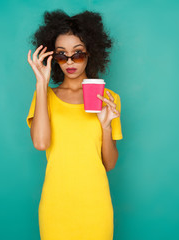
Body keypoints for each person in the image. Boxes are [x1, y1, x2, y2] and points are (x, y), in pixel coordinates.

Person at [26, 9, 123, 240]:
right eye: (62, 55)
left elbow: (108, 164)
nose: (69, 62)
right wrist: (41, 83)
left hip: (95, 205)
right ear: (53, 57)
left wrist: (106, 126)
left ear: (90, 53)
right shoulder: (45, 97)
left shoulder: (108, 99)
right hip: (56, 205)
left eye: (77, 54)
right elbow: (41, 143)